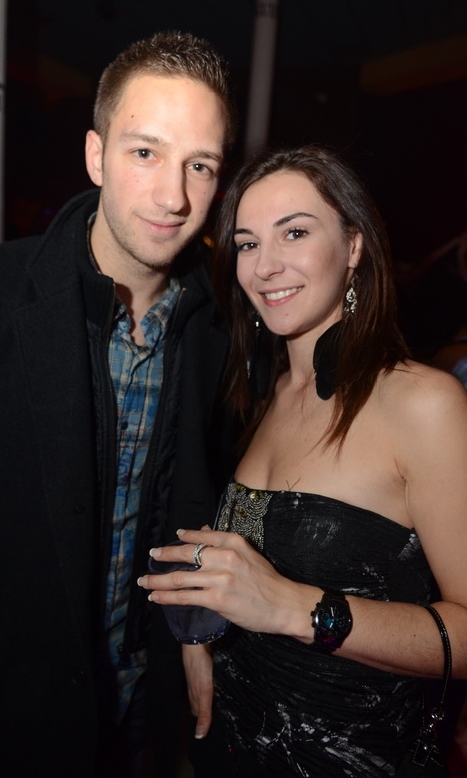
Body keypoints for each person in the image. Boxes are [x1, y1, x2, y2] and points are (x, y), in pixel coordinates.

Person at [0, 30, 237, 778]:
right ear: (96, 156)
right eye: (146, 152)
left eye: (199, 165)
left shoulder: (217, 332)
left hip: (140, 706)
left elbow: (200, 500)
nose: (174, 196)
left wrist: (195, 631)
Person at [140, 145, 467, 777]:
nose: (266, 266)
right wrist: (199, 634)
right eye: (247, 243)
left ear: (354, 245)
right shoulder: (267, 394)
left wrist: (297, 609)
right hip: (223, 748)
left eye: (294, 232)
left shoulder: (423, 403)